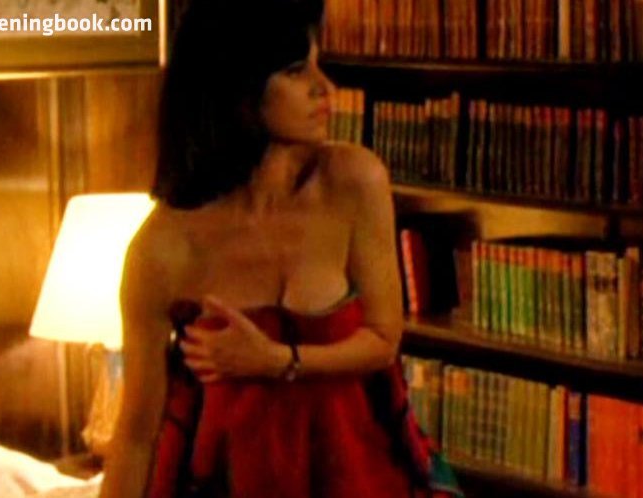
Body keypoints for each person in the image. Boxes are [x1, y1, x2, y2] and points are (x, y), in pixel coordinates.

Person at [98, 1, 462, 497]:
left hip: (360, 474)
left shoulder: (353, 181)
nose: (324, 88)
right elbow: (138, 434)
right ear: (237, 84)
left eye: (317, 64)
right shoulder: (162, 247)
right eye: (295, 71)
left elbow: (383, 340)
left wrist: (279, 361)